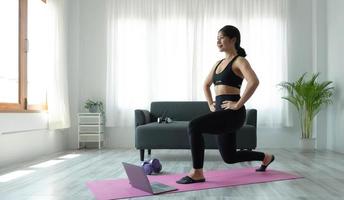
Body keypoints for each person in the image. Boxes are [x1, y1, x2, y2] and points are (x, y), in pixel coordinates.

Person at [176, 25, 275, 184]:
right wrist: (210, 103)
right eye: (217, 38)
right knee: (230, 157)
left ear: (233, 39)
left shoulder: (240, 61)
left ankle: (197, 172)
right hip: (221, 114)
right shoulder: (218, 63)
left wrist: (238, 104)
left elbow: (254, 82)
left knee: (194, 126)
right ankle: (266, 157)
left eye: (221, 37)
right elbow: (205, 85)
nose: (218, 41)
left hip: (234, 114)